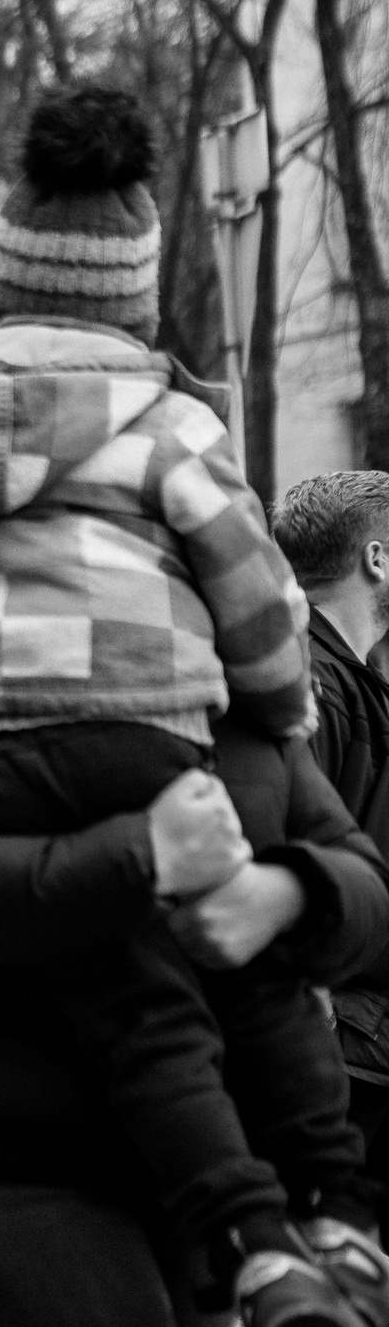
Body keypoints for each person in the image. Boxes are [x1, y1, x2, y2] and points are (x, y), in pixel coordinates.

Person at [0, 84, 387, 1327]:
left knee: (155, 986)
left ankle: (271, 1232)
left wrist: (294, 896)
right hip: (4, 1146)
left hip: (1, 764)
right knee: (218, 977)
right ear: (144, 303)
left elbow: (360, 888)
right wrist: (259, 724)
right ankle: (326, 1211)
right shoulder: (176, 438)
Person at [0, 588, 389, 1327]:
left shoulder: (208, 628)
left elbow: (362, 878)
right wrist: (141, 856)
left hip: (203, 1157)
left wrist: (288, 892)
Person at [273, 472, 389, 1177]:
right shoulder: (314, 682)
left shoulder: (342, 675)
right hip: (340, 1049)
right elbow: (277, 844)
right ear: (377, 558)